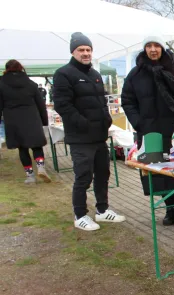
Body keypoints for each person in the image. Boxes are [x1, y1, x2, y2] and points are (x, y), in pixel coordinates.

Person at [53, 32, 126, 231]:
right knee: (83, 177)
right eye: (81, 50)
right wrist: (83, 123)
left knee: (103, 174)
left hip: (99, 136)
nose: (85, 53)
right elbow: (63, 105)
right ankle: (80, 215)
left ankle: (102, 211)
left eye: (88, 50)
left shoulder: (94, 75)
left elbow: (102, 101)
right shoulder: (63, 74)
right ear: (73, 52)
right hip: (80, 138)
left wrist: (107, 119)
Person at [121, 36, 174, 228]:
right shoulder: (135, 74)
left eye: (157, 46)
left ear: (162, 47)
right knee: (158, 173)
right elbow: (127, 100)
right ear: (144, 49)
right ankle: (170, 208)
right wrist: (138, 123)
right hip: (149, 131)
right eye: (149, 46)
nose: (153, 49)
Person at [0, 60, 51, 184]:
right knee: (36, 145)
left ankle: (30, 176)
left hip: (12, 119)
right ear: (21, 68)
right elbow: (41, 105)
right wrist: (44, 121)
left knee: (22, 148)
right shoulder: (31, 84)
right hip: (31, 117)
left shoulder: (1, 84)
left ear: (6, 69)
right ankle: (40, 166)